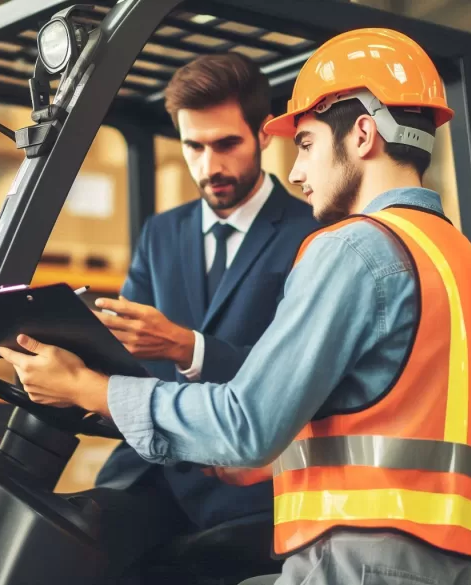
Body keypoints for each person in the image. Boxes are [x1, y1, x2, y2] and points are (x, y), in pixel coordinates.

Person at [0, 27, 471, 585]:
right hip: (450, 567)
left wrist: (88, 390)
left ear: (364, 134)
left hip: (354, 560)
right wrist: (273, 463)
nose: (297, 173)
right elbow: (400, 422)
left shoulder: (354, 248)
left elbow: (248, 423)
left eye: (306, 144)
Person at [83, 53, 318, 574]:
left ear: (264, 134)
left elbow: (297, 382)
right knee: (59, 542)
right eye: (194, 146)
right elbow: (128, 359)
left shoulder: (315, 236)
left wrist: (186, 347)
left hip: (250, 481)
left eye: (226, 144)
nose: (209, 166)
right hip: (152, 471)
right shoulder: (160, 234)